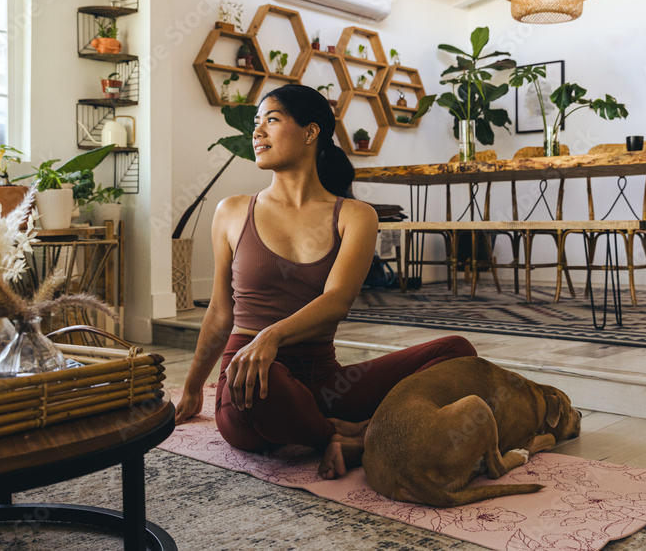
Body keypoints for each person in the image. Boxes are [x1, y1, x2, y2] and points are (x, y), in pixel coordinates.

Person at [174, 84, 476, 479]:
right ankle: (353, 435)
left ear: (310, 132)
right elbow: (219, 312)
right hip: (250, 383)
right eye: (256, 123)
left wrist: (273, 335)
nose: (257, 132)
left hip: (326, 383)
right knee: (269, 385)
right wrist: (194, 388)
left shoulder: (355, 215)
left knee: (456, 350)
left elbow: (337, 300)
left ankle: (340, 433)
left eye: (272, 120)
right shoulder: (231, 211)